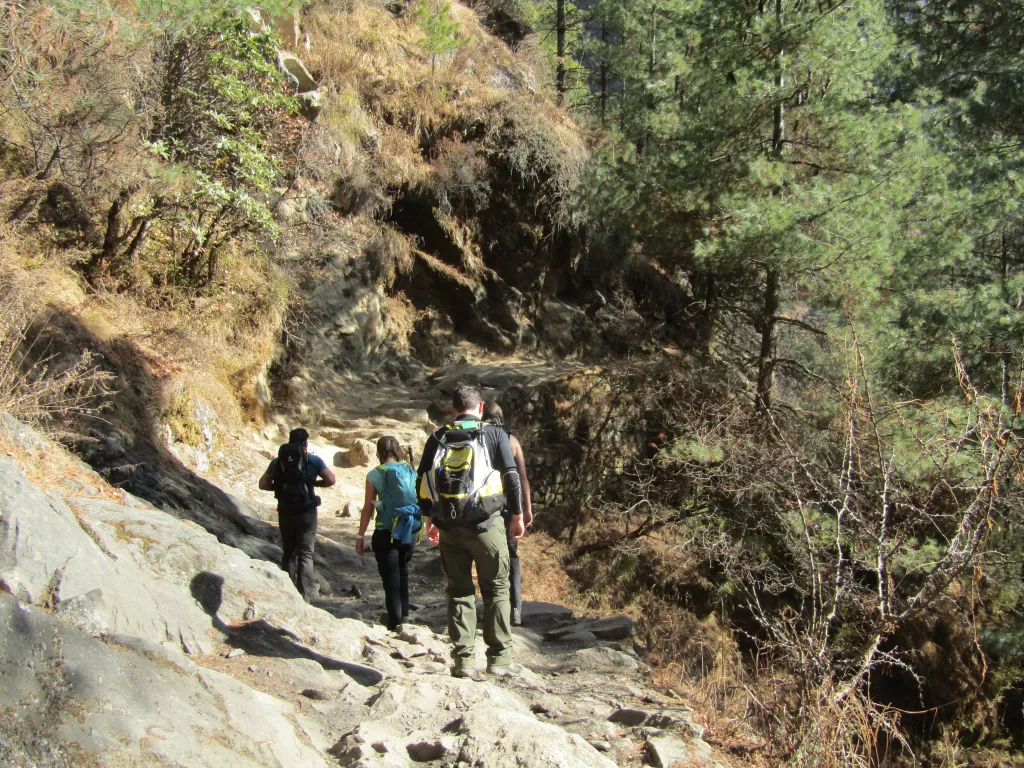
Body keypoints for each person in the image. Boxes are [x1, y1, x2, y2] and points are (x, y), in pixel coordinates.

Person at [418, 384, 526, 678]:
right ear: (480, 409)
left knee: (459, 591)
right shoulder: (494, 434)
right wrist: (517, 516)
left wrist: (429, 518)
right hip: (487, 524)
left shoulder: (438, 436)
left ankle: (463, 661)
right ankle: (499, 660)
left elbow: (423, 479)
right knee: (497, 589)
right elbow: (511, 477)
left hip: (450, 526)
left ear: (453, 410)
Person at [258, 428, 335, 602]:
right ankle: (306, 596)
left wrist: (278, 487)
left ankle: (287, 593)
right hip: (308, 512)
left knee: (289, 552)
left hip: (286, 512)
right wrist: (315, 483)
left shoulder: (278, 461)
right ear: (305, 444)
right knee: (306, 553)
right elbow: (331, 480)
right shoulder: (313, 460)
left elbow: (263, 484)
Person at [356, 436, 420, 631]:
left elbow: (368, 507)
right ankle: (405, 618)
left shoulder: (375, 474)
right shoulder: (410, 470)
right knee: (402, 570)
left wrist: (360, 536)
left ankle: (395, 621)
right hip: (411, 529)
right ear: (398, 451)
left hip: (386, 531)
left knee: (390, 576)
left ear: (378, 453)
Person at [483, 401, 534, 627]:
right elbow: (522, 478)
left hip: (485, 505)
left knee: (487, 555)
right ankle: (515, 609)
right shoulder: (512, 441)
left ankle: (493, 609)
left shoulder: (479, 438)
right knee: (511, 556)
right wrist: (526, 509)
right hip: (509, 505)